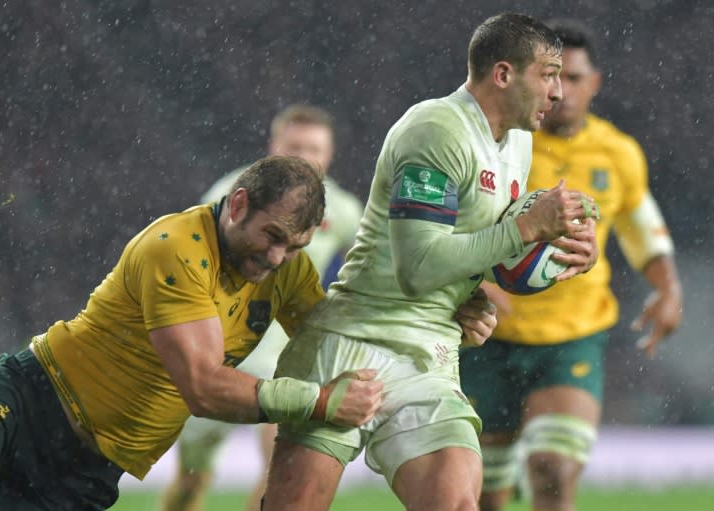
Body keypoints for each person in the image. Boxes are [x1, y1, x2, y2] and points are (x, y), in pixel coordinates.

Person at [260, 12, 600, 511]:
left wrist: (559, 250)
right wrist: (527, 228)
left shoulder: (519, 143)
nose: (557, 92)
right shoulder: (437, 128)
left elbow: (485, 248)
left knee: (458, 504)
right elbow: (418, 263)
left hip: (431, 355)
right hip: (355, 340)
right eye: (547, 75)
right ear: (503, 74)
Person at [0, 155, 386, 511]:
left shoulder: (288, 273)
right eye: (272, 235)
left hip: (88, 469)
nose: (277, 256)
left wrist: (445, 323)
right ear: (237, 206)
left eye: (294, 246)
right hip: (32, 395)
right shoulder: (177, 247)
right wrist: (322, 401)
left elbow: (339, 342)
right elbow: (204, 389)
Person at [461, 19, 683, 511]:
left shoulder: (618, 152)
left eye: (574, 78)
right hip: (489, 335)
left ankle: (535, 463)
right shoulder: (503, 143)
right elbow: (457, 222)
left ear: (594, 82)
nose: (561, 92)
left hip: (573, 336)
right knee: (482, 494)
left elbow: (642, 226)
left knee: (553, 468)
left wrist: (668, 289)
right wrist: (474, 277)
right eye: (551, 77)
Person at [162, 104, 364, 511]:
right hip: (221, 350)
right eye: (295, 146)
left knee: (280, 465)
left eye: (314, 148)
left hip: (283, 352)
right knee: (189, 482)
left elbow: (364, 273)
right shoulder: (236, 194)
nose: (305, 157)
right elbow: (193, 251)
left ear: (330, 154)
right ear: (273, 148)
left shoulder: (342, 210)